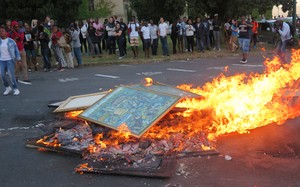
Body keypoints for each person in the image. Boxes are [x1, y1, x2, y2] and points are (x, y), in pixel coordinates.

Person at [0, 26, 21, 96]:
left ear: (6, 32)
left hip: (9, 60)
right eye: (0, 32)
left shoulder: (11, 41)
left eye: (2, 31)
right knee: (1, 75)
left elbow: (16, 50)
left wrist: (18, 59)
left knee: (11, 75)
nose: (1, 33)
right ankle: (7, 87)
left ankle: (15, 89)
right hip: (1, 60)